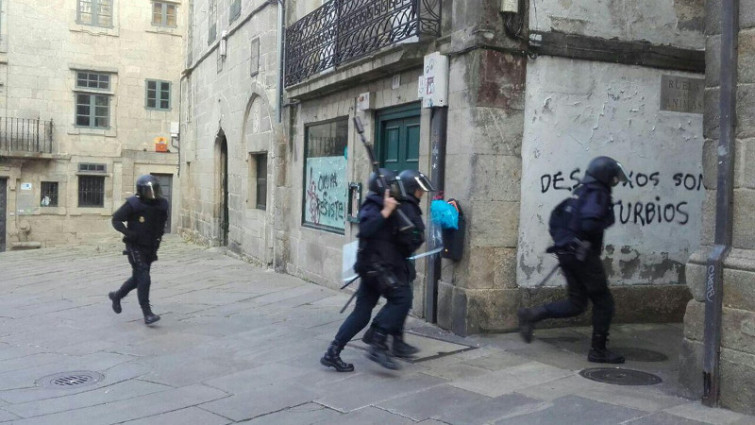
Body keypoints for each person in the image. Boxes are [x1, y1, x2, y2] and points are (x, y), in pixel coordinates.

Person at [517, 156, 628, 364]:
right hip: (583, 255)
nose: (614, 180)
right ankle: (598, 350)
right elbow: (589, 225)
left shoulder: (581, 192)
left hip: (567, 252)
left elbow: (558, 219)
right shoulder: (598, 194)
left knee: (577, 303)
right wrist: (603, 222)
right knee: (604, 303)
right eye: (613, 176)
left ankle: (532, 315)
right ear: (604, 176)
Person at [320, 168, 430, 372]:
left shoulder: (390, 205)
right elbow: (367, 229)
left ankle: (332, 352)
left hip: (378, 266)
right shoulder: (373, 205)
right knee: (401, 299)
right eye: (392, 186)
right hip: (374, 267)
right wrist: (386, 212)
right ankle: (377, 339)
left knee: (362, 314)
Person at [108, 175, 169, 325]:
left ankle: (117, 295)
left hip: (150, 246)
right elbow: (116, 219)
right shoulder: (133, 204)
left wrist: (157, 239)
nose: (152, 194)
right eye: (148, 191)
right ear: (141, 191)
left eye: (154, 190)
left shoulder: (162, 204)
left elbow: (161, 224)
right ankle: (147, 313)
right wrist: (130, 234)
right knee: (144, 277)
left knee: (138, 279)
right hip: (135, 246)